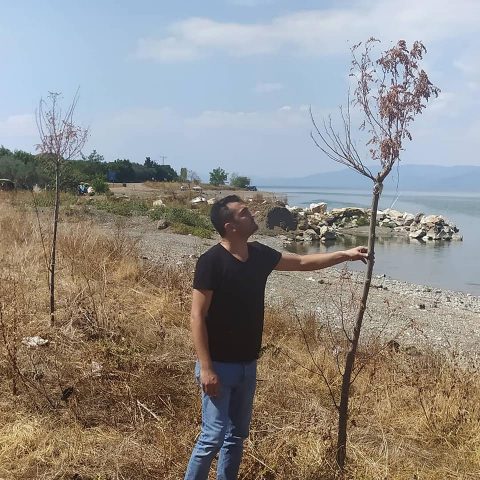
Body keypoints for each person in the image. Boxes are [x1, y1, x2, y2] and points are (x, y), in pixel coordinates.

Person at [184, 195, 368, 480]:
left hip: (247, 365)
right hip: (218, 366)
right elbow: (197, 316)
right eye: (244, 213)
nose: (252, 214)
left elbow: (303, 261)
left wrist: (345, 254)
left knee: (236, 436)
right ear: (230, 226)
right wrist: (206, 368)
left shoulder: (258, 254)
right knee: (212, 437)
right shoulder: (211, 262)